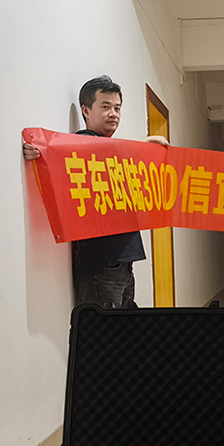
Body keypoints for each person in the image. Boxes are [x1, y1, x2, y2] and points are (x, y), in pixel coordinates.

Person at [23, 75, 169, 308]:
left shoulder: (113, 152)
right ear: (86, 110)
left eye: (117, 108)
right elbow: (99, 154)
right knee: (103, 327)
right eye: (105, 106)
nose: (113, 114)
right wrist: (145, 145)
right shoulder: (83, 143)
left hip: (121, 262)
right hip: (100, 262)